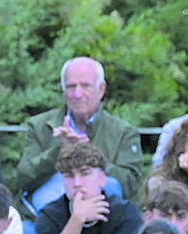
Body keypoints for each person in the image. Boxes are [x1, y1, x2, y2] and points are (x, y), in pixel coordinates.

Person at [14, 57, 144, 222]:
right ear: (63, 90)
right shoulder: (40, 125)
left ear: (101, 89)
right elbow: (23, 178)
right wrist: (58, 151)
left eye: (85, 86)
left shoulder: (124, 132)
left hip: (103, 225)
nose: (77, 94)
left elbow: (129, 184)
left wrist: (88, 153)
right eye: (71, 86)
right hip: (40, 222)